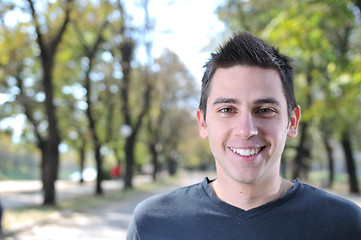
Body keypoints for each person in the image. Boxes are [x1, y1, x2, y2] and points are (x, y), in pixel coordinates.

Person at [126, 32, 361, 239]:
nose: (246, 130)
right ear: (202, 122)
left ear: (292, 122)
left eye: (265, 110)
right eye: (227, 110)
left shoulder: (345, 224)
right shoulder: (152, 223)